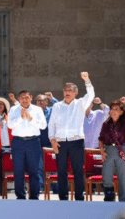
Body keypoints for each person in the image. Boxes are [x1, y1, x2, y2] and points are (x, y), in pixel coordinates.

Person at [49, 72, 95, 201]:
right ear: (63, 92)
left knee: (78, 170)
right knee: (61, 171)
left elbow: (91, 94)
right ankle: (63, 197)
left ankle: (79, 197)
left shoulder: (81, 103)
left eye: (70, 90)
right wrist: (52, 139)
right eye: (66, 90)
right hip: (60, 143)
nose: (67, 92)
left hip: (76, 141)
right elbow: (51, 124)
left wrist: (87, 81)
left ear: (76, 93)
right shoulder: (57, 106)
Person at [8, 90, 47, 200]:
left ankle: (34, 196)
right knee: (18, 170)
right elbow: (10, 125)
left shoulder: (37, 109)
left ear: (31, 97)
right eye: (22, 98)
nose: (24, 100)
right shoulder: (13, 109)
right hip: (18, 142)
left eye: (26, 97)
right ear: (19, 99)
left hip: (33, 142)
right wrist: (20, 118)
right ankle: (20, 196)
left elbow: (43, 125)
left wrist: (30, 119)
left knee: (34, 171)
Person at [98, 97, 125, 202]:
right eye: (112, 109)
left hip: (123, 150)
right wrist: (101, 150)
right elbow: (101, 139)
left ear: (121, 112)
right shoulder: (105, 124)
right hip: (108, 151)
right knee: (106, 176)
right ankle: (109, 198)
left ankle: (122, 202)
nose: (113, 111)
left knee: (123, 178)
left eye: (116, 109)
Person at [35, 92, 59, 192]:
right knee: (39, 166)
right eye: (38, 100)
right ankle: (41, 187)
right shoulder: (33, 112)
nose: (40, 102)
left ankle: (55, 187)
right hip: (37, 142)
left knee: (53, 165)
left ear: (46, 102)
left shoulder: (51, 110)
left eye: (43, 100)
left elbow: (60, 106)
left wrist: (52, 98)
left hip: (50, 142)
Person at [0, 96, 14, 196]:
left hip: (8, 146)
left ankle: (9, 188)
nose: (0, 106)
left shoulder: (8, 117)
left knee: (8, 168)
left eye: (2, 104)